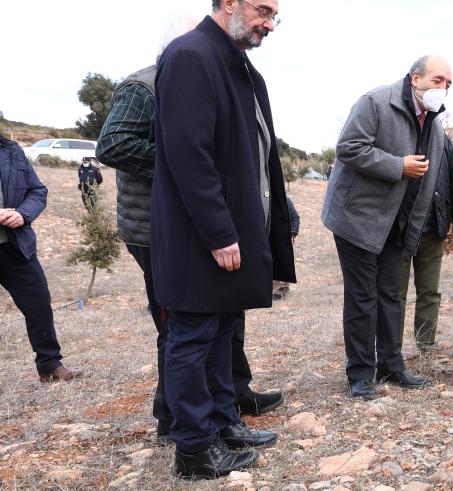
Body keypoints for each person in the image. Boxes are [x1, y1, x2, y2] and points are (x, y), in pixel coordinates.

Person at [97, 48, 284, 448]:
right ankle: (174, 420)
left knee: (222, 319)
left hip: (203, 219)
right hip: (157, 227)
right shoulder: (144, 85)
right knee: (179, 325)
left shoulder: (217, 81)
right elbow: (112, 145)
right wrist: (178, 163)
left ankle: (230, 398)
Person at [152, 0, 295, 479]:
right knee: (192, 338)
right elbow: (189, 156)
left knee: (221, 335)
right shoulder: (192, 55)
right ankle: (193, 449)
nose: (269, 24)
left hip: (233, 233)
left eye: (275, 15)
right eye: (262, 10)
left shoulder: (235, 62)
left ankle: (221, 423)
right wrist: (219, 232)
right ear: (228, 2)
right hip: (202, 237)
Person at [321, 55, 451, 399]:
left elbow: (429, 180)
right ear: (416, 78)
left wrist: (413, 229)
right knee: (363, 297)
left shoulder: (435, 125)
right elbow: (348, 148)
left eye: (449, 84)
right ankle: (361, 375)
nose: (443, 89)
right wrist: (398, 165)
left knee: (392, 294)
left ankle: (391, 366)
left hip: (398, 221)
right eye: (438, 80)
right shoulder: (375, 102)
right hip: (357, 216)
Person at [0, 134, 83, 383]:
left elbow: (38, 190)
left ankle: (49, 365)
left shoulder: (11, 150)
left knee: (38, 302)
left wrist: (24, 214)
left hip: (14, 245)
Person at [398, 136, 453, 351]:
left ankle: (426, 343)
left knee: (429, 291)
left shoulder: (443, 140)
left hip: (433, 229)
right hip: (400, 230)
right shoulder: (400, 134)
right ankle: (391, 347)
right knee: (395, 293)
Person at [273, 196, 299, 300]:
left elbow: (295, 218)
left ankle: (283, 288)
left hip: (283, 238)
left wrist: (293, 231)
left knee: (283, 263)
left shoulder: (286, 201)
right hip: (268, 239)